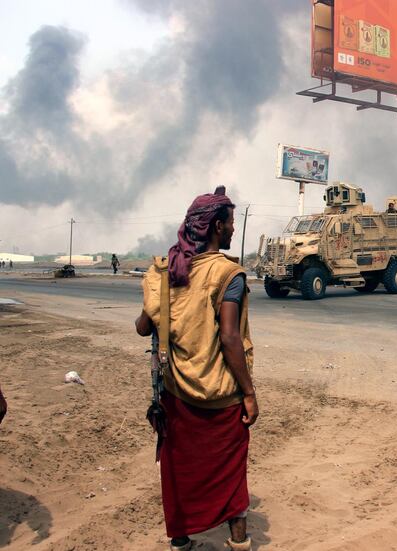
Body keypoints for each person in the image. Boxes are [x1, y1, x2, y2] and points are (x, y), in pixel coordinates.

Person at [135, 186, 258, 551]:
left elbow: (143, 326)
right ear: (217, 227)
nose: (234, 229)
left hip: (176, 393)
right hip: (221, 397)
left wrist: (161, 303)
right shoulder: (227, 274)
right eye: (231, 223)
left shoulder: (165, 272)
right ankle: (238, 543)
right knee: (232, 474)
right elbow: (231, 339)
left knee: (180, 471)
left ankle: (181, 541)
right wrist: (249, 393)